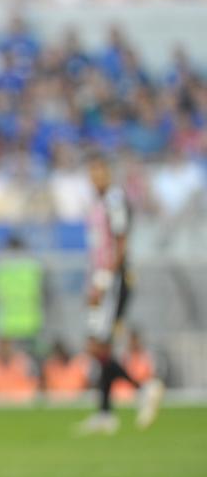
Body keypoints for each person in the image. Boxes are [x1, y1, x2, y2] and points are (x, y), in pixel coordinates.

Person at [78, 154, 162, 434]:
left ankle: (143, 389)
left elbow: (120, 241)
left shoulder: (114, 200)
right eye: (92, 172)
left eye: (99, 171)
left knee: (97, 345)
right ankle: (105, 413)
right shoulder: (99, 203)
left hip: (113, 280)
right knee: (100, 346)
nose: (95, 177)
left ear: (108, 173)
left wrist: (103, 280)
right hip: (102, 278)